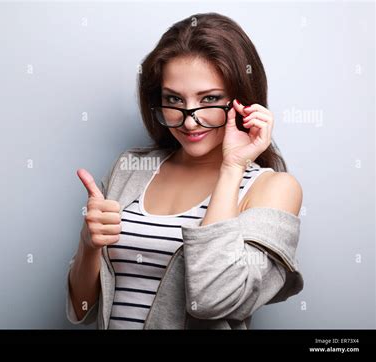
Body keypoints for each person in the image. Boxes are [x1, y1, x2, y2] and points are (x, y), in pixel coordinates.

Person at [66, 12, 304, 329]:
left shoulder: (273, 189)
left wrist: (233, 167)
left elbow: (211, 299)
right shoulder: (130, 168)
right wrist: (89, 244)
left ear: (242, 102)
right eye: (174, 99)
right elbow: (82, 309)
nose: (190, 120)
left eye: (209, 99)